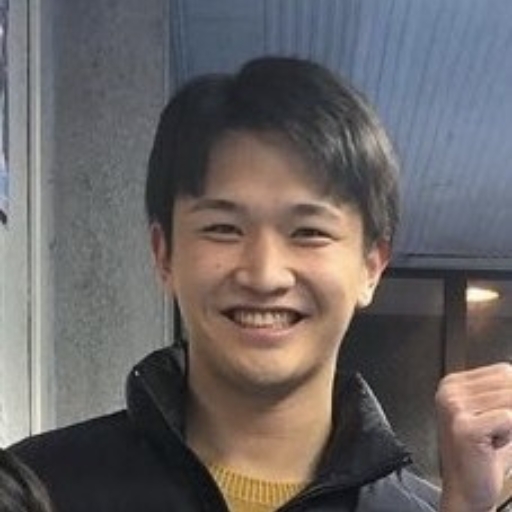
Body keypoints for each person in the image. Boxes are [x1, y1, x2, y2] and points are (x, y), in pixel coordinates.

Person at [8, 56, 512, 512]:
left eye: (308, 232)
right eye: (223, 228)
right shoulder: (38, 490)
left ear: (371, 266)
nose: (265, 274)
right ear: (164, 254)